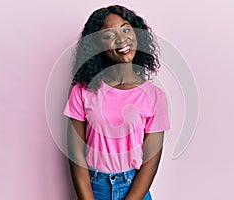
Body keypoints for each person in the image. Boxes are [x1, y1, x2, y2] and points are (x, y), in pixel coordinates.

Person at [63, 5, 170, 200]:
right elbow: (75, 154)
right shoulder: (83, 91)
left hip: (135, 189)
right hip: (94, 188)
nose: (121, 39)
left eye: (126, 29)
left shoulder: (155, 97)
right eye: (108, 35)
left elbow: (151, 161)